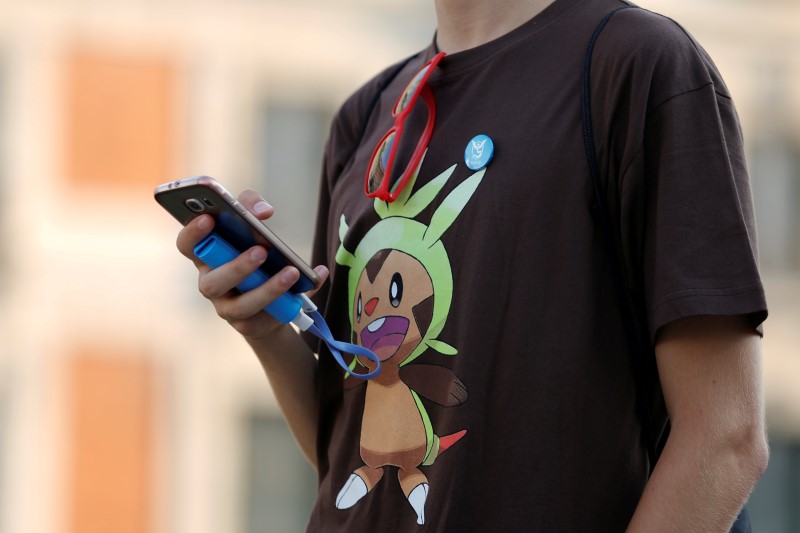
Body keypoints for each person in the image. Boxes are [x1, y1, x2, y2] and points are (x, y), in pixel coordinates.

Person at [176, 0, 769, 530]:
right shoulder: (367, 114)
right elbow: (350, 451)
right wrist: (265, 325)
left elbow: (726, 439)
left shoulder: (639, 64)